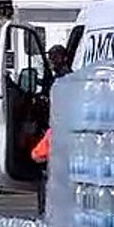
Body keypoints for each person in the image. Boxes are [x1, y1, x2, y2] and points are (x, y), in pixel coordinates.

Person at [31, 44, 73, 215]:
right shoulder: (57, 78)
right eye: (50, 58)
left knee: (49, 173)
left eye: (54, 57)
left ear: (63, 58)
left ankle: (47, 209)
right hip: (52, 128)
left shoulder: (65, 79)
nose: (52, 61)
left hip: (56, 130)